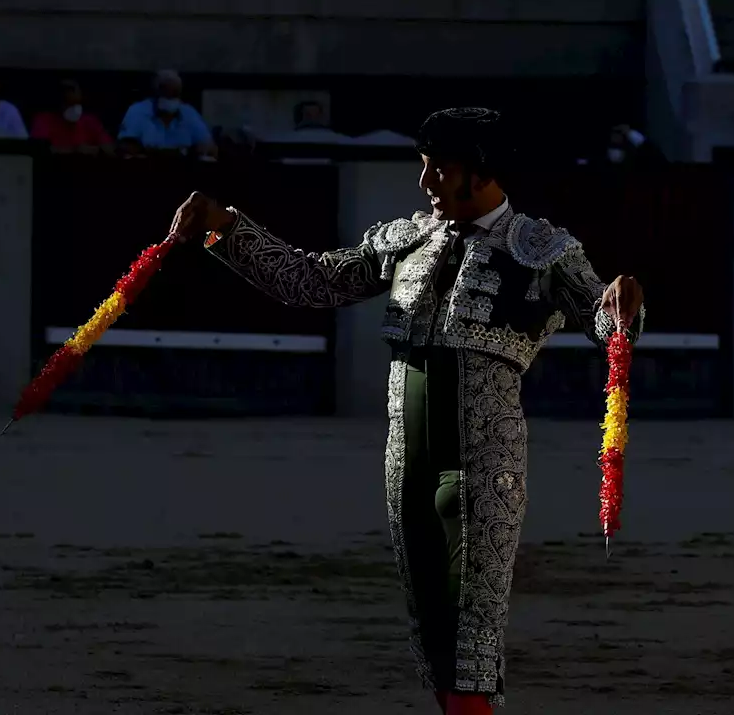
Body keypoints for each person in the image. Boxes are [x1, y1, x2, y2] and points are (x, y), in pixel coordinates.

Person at [167, 107, 645, 714]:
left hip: (483, 464)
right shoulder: (405, 241)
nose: (425, 183)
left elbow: (607, 327)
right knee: (434, 630)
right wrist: (226, 229)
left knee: (473, 632)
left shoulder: (545, 251)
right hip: (406, 467)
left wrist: (622, 307)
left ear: (479, 173)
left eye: (438, 170)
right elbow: (312, 282)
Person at [117, 70, 218, 159]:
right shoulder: (137, 110)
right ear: (156, 92)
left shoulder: (189, 113)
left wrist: (198, 149)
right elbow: (124, 146)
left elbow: (210, 147)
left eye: (174, 93)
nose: (169, 96)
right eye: (165, 91)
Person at [30, 78, 114, 155]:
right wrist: (74, 151)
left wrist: (95, 150)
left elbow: (109, 148)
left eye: (76, 103)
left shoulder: (90, 121)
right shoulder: (43, 120)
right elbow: (39, 150)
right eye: (69, 104)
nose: (74, 109)